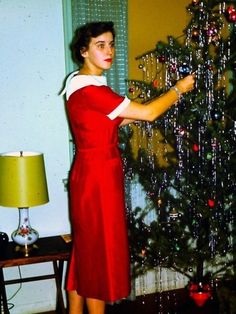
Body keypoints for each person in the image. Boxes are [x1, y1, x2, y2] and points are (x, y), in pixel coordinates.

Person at [61, 21, 195, 314]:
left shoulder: (79, 83)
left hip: (90, 170)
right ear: (83, 51)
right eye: (100, 45)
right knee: (96, 254)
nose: (108, 51)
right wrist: (178, 89)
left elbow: (116, 120)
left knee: (86, 250)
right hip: (98, 175)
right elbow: (148, 114)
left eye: (111, 44)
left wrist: (137, 109)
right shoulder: (92, 90)